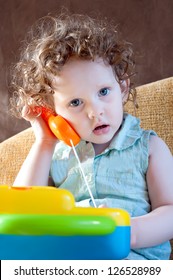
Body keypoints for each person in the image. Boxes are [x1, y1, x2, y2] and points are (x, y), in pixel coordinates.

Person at [10, 12, 173, 260]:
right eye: (76, 102)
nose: (95, 111)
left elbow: (170, 211)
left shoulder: (147, 146)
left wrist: (130, 231)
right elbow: (21, 211)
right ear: (54, 111)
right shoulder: (57, 154)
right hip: (72, 259)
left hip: (132, 260)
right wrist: (44, 141)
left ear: (122, 87)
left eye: (104, 91)